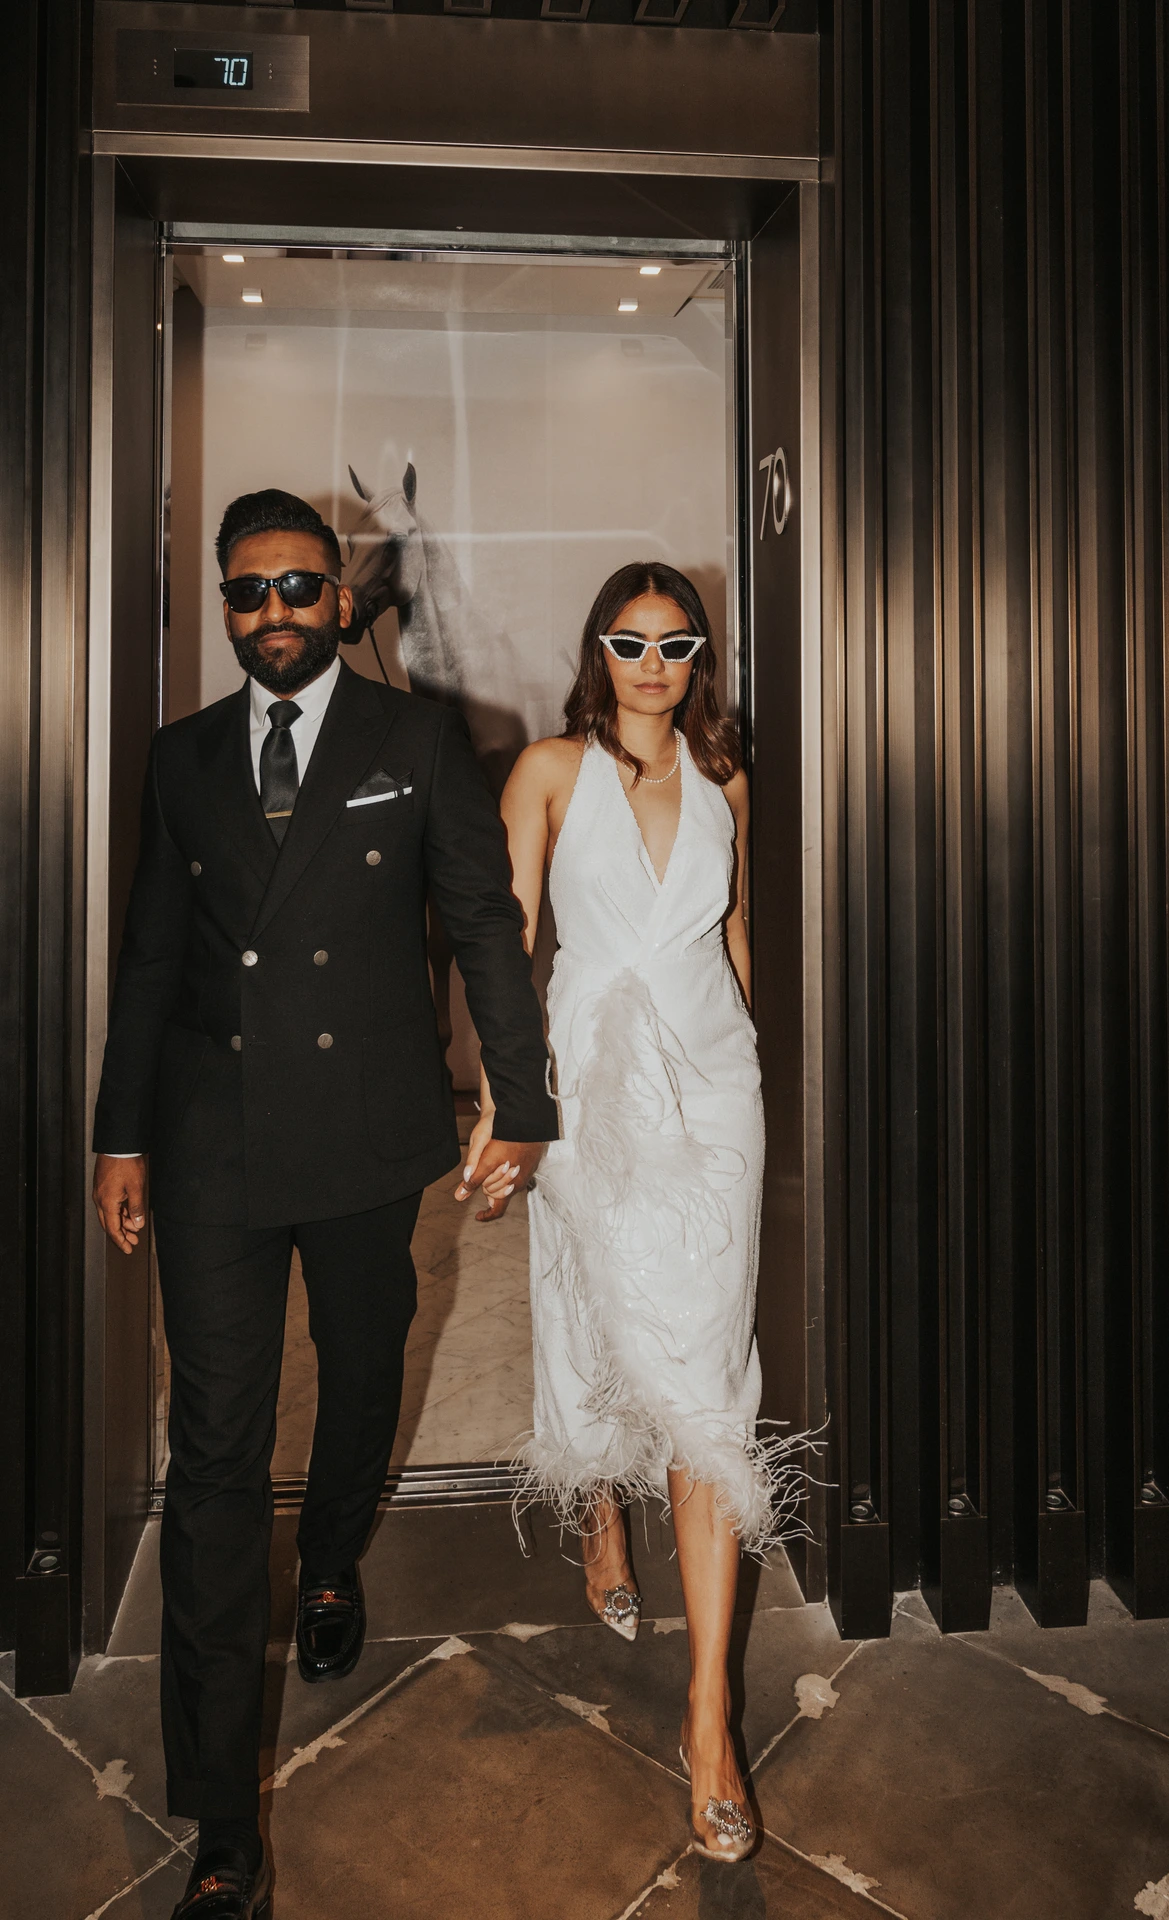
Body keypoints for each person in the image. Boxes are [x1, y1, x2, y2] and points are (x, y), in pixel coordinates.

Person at [92, 489, 556, 1920]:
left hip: (363, 1129)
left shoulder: (412, 742)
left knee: (362, 1375)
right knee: (217, 1452)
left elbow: (482, 920)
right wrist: (121, 1136)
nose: (275, 613)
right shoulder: (179, 757)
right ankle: (223, 1820)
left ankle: (337, 1558)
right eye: (248, 592)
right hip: (213, 1136)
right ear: (226, 608)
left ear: (339, 603)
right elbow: (151, 955)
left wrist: (522, 1098)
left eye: (298, 587)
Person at [476, 561, 788, 1865]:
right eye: (629, 641)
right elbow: (510, 937)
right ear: (596, 651)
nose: (652, 665)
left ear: (700, 656)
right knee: (599, 1319)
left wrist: (748, 1066)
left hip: (713, 1092)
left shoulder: (725, 780)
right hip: (586, 1083)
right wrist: (506, 1103)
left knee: (709, 1385)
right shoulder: (549, 772)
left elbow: (735, 935)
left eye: (676, 644)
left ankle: (709, 1720)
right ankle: (599, 1507)